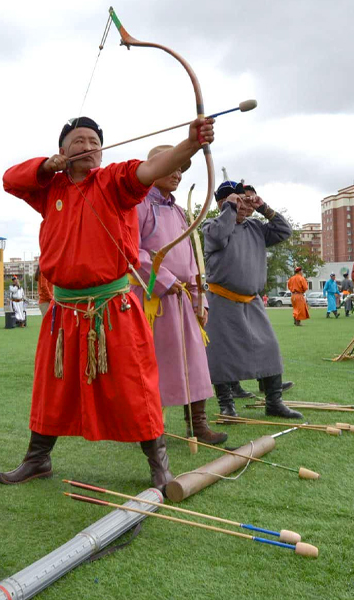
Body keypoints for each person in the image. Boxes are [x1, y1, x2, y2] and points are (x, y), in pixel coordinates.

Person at [0, 114, 215, 490]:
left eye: (93, 141)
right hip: (65, 311)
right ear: (62, 151)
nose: (87, 147)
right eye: (77, 141)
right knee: (52, 385)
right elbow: (9, 180)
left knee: (134, 385)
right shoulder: (49, 188)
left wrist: (190, 144)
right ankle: (37, 459)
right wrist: (45, 168)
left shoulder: (116, 181)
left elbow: (149, 170)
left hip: (113, 306)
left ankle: (159, 463)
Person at [131, 145, 226, 445]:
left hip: (183, 298)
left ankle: (197, 424)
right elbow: (132, 251)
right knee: (151, 365)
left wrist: (200, 298)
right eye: (171, 167)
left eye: (181, 169)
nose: (176, 174)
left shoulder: (178, 210)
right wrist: (164, 279)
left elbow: (192, 258)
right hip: (152, 301)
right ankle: (149, 430)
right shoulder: (139, 205)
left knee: (195, 361)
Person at [203, 181, 302, 419]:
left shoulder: (255, 227)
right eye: (241, 200)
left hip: (252, 301)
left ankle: (274, 402)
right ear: (223, 203)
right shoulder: (212, 225)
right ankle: (227, 406)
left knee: (269, 347)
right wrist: (230, 209)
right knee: (222, 354)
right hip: (221, 300)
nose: (246, 205)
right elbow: (218, 236)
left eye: (249, 201)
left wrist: (263, 207)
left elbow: (283, 231)